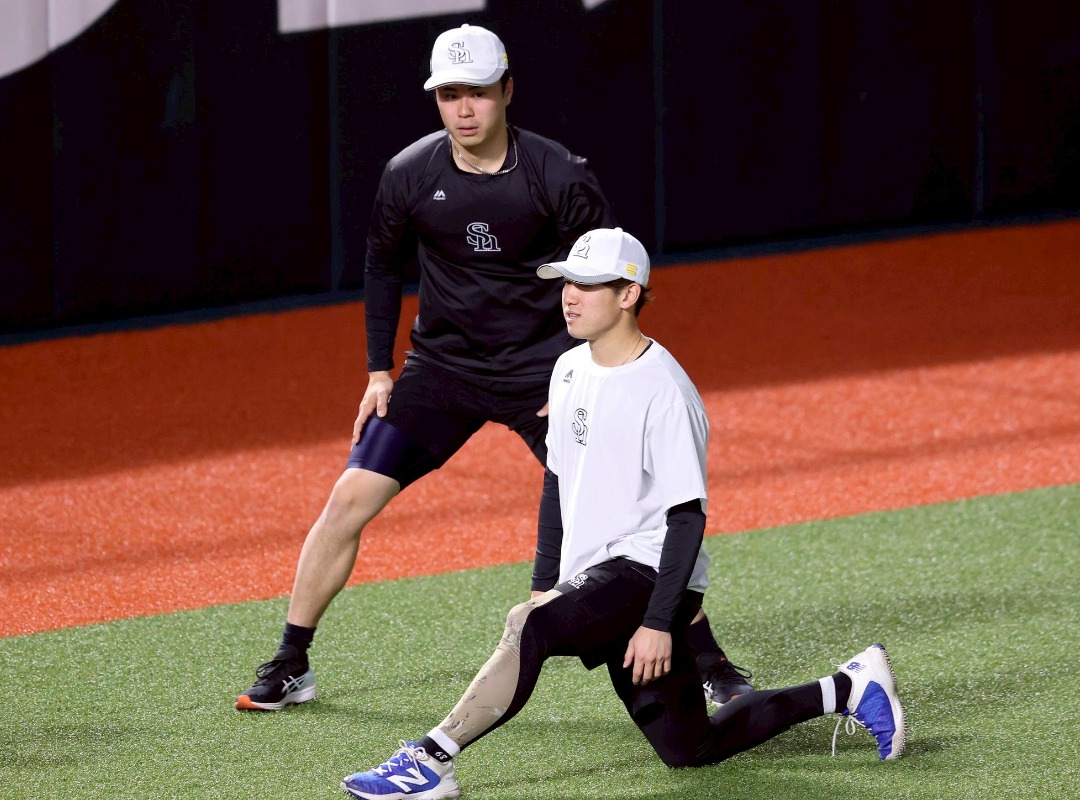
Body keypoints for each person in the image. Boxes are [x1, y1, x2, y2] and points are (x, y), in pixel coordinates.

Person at [236, 24, 751, 712]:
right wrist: (377, 371)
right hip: (441, 370)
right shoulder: (410, 174)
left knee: (636, 512)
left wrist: (583, 374)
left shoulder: (557, 175)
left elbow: (606, 278)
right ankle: (291, 659)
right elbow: (382, 265)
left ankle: (709, 661)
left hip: (544, 371)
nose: (464, 109)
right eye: (449, 95)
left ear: (507, 91)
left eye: (477, 92)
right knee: (348, 498)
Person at [339, 227, 907, 799]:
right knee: (689, 748)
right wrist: (546, 584)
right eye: (567, 281)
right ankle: (846, 688)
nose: (569, 294)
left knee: (526, 626)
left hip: (647, 572)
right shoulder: (568, 370)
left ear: (629, 294)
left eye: (587, 284)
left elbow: (687, 519)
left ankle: (429, 761)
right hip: (602, 579)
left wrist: (659, 622)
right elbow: (556, 482)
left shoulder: (665, 391)